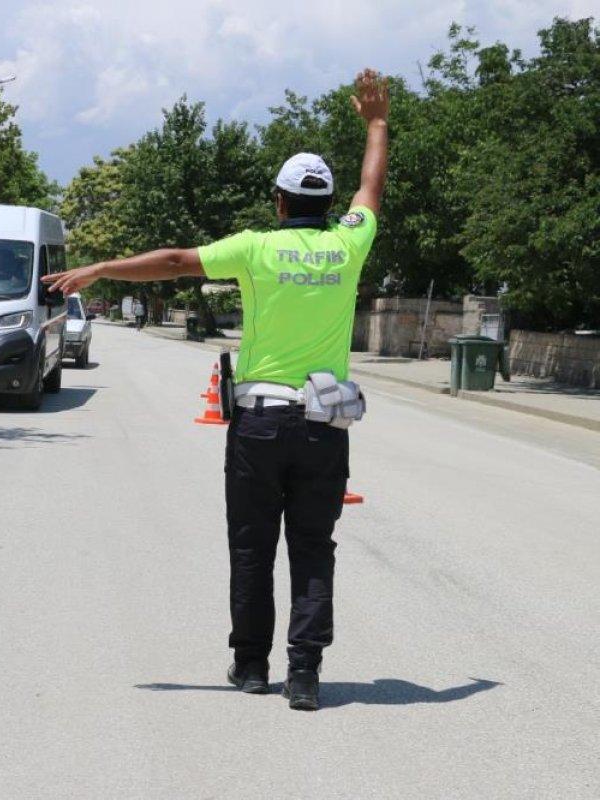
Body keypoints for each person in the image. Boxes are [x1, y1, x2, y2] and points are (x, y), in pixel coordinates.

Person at [43, 69, 389, 711]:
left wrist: (100, 267)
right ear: (325, 204)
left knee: (252, 544)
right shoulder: (349, 243)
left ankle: (252, 666)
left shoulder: (256, 248)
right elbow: (372, 186)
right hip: (323, 427)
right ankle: (306, 674)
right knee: (313, 548)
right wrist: (376, 121)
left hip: (260, 424)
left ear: (280, 203)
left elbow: (175, 260)